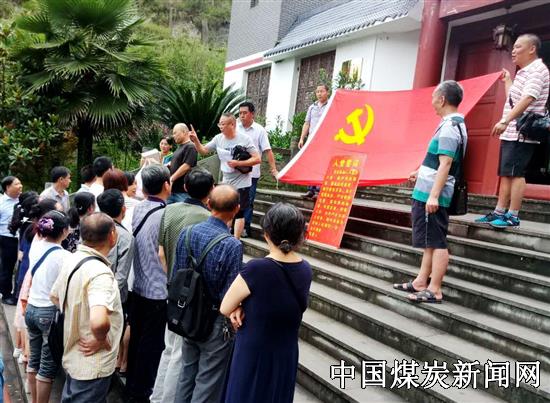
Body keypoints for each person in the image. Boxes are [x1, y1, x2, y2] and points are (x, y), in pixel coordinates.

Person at [220, 203, 312, 403]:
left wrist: (239, 307)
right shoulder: (306, 269)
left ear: (267, 234)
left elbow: (225, 307)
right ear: (300, 235)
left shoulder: (257, 269)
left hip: (254, 351)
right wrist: (244, 306)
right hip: (285, 351)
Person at [393, 80, 467, 303]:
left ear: (442, 99)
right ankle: (420, 281)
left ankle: (435, 289)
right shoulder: (451, 124)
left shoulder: (450, 127)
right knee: (429, 241)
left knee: (437, 241)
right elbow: (438, 161)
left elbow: (446, 163)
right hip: (428, 190)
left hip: (432, 195)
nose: (432, 102)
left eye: (434, 97)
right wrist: (420, 172)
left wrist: (434, 195)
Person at [173, 184, 243, 403]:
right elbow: (229, 294)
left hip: (187, 315)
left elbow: (177, 275)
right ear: (237, 209)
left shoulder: (187, 233)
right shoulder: (231, 245)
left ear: (208, 204)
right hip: (215, 320)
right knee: (208, 381)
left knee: (186, 374)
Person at [150, 168, 213, 403]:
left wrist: (171, 280)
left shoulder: (169, 210)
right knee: (179, 353)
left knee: (169, 349)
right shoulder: (207, 219)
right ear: (211, 191)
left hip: (172, 288)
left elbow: (161, 253)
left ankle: (157, 397)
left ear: (185, 187)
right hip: (191, 295)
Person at [476, 34, 549, 228]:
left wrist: (505, 120)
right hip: (512, 131)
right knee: (507, 173)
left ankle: (513, 215)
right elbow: (514, 100)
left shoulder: (537, 70)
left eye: (518, 47)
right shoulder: (524, 72)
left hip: (521, 132)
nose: (513, 51)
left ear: (532, 49)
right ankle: (499, 212)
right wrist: (508, 80)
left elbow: (528, 98)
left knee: (517, 173)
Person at [50, 213, 123, 402]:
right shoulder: (100, 274)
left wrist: (77, 316)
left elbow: (55, 296)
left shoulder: (73, 259)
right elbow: (98, 321)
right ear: (112, 235)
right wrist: (100, 338)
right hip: (92, 362)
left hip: (75, 353)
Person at [125, 164, 170, 402]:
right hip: (158, 291)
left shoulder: (138, 208)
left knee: (137, 339)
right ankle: (141, 392)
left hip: (138, 286)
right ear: (166, 185)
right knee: (151, 346)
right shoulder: (165, 215)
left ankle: (132, 386)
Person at [24, 210, 71, 403]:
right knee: (47, 367)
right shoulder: (64, 256)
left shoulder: (36, 246)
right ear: (64, 231)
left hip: (31, 308)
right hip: (48, 313)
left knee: (33, 360)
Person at [190, 113, 260, 239]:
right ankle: (224, 236)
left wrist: (238, 163)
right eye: (219, 124)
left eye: (223, 124)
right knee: (225, 209)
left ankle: (236, 240)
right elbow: (203, 151)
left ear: (232, 124)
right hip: (226, 180)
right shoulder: (218, 138)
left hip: (242, 181)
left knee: (239, 212)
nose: (220, 126)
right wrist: (195, 140)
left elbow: (257, 158)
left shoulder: (244, 139)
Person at [237, 102, 278, 238]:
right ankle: (233, 226)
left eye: (245, 113)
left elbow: (267, 150)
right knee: (233, 199)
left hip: (251, 173)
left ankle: (245, 228)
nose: (242, 116)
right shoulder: (235, 128)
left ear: (252, 114)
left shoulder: (259, 130)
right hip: (234, 172)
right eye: (240, 113)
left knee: (248, 201)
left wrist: (274, 170)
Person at [97, 189, 134, 304]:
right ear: (123, 209)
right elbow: (121, 276)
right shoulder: (125, 237)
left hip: (90, 292)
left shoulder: (91, 228)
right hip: (113, 300)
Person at [298, 84, 330, 199]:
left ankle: (319, 190)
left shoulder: (331, 106)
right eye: (317, 92)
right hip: (312, 141)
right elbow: (307, 123)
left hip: (325, 141)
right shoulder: (312, 107)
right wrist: (302, 138)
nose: (319, 94)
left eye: (322, 91)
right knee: (311, 165)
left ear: (327, 92)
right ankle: (310, 189)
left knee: (322, 165)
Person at [0, 176, 23, 305]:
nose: (20, 186)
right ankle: (6, 294)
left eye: (20, 183)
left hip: (23, 238)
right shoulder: (1, 202)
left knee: (21, 266)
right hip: (7, 239)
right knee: (7, 268)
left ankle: (17, 293)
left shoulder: (23, 200)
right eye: (17, 184)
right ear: (8, 187)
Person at [168, 123, 198, 204]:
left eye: (175, 133)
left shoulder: (190, 146)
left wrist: (172, 179)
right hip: (173, 190)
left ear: (184, 132)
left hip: (183, 192)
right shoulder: (180, 147)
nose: (173, 136)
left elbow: (187, 166)